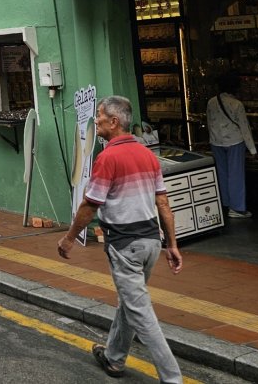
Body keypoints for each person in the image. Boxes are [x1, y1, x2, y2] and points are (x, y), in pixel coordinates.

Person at [57, 96, 183, 384]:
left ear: (114, 122)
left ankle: (172, 378)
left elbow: (90, 205)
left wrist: (69, 238)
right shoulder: (148, 155)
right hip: (151, 242)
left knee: (141, 313)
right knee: (129, 303)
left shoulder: (108, 158)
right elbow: (163, 203)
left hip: (125, 245)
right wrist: (172, 245)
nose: (96, 120)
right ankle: (114, 358)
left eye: (100, 116)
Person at [207, 75, 257, 219]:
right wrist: (252, 149)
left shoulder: (211, 102)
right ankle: (237, 208)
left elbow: (209, 122)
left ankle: (225, 203)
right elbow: (244, 128)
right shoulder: (237, 104)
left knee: (222, 173)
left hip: (216, 142)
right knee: (236, 174)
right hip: (235, 141)